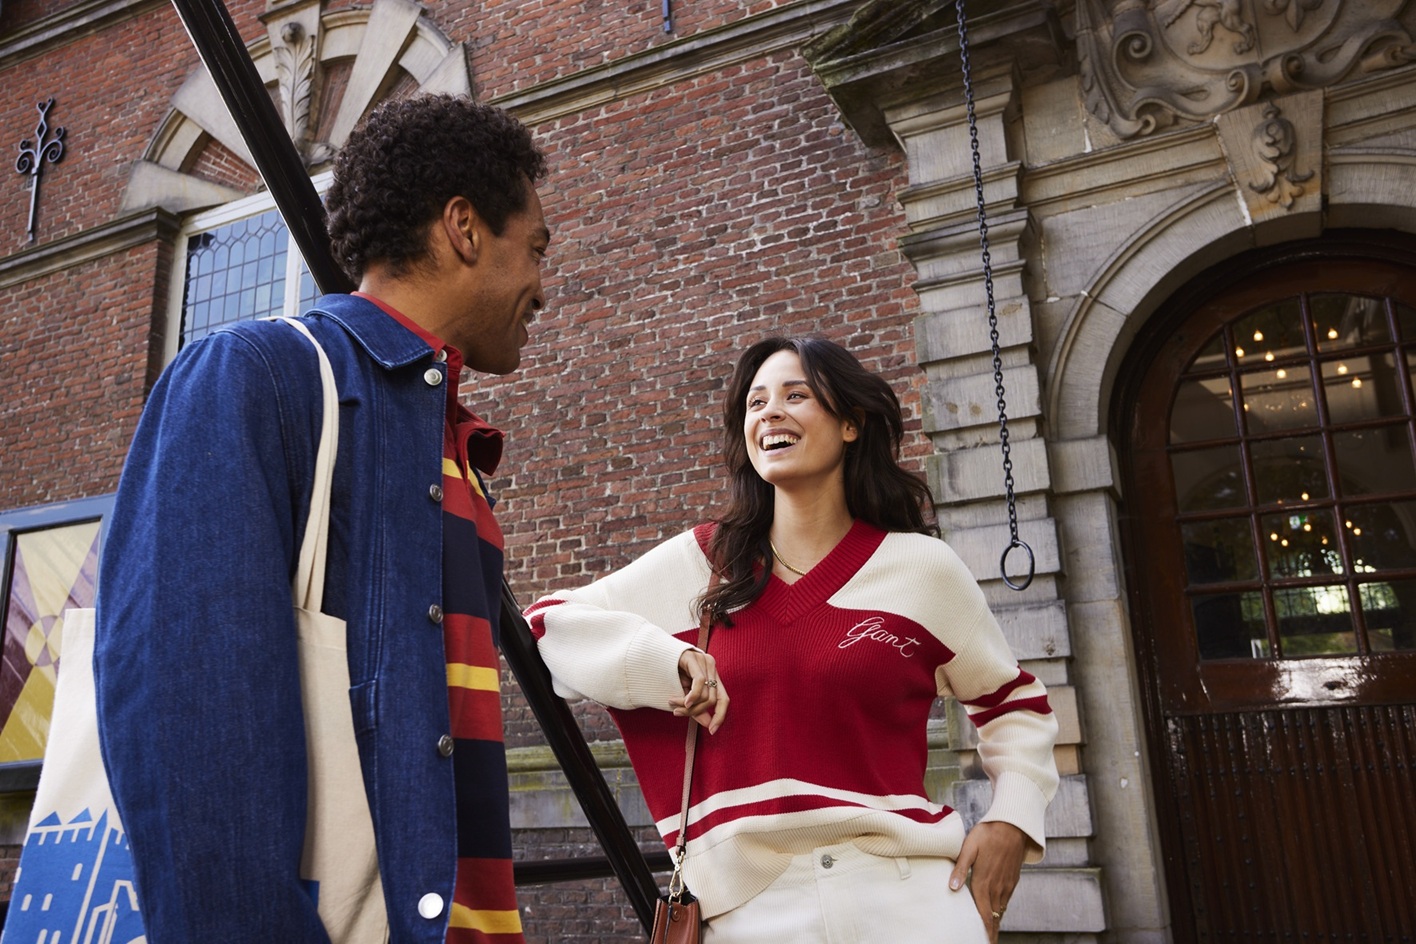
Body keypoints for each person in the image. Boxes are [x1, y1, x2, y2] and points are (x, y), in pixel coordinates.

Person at [94, 94, 549, 943]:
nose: (542, 289)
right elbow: (186, 738)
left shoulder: (450, 441)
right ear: (464, 229)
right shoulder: (254, 375)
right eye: (537, 249)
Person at [526, 336, 1059, 944]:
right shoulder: (700, 564)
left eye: (795, 396)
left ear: (851, 424)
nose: (769, 413)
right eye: (755, 403)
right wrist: (665, 661)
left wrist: (1012, 821)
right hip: (746, 915)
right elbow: (547, 626)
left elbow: (1013, 706)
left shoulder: (923, 569)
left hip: (910, 902)